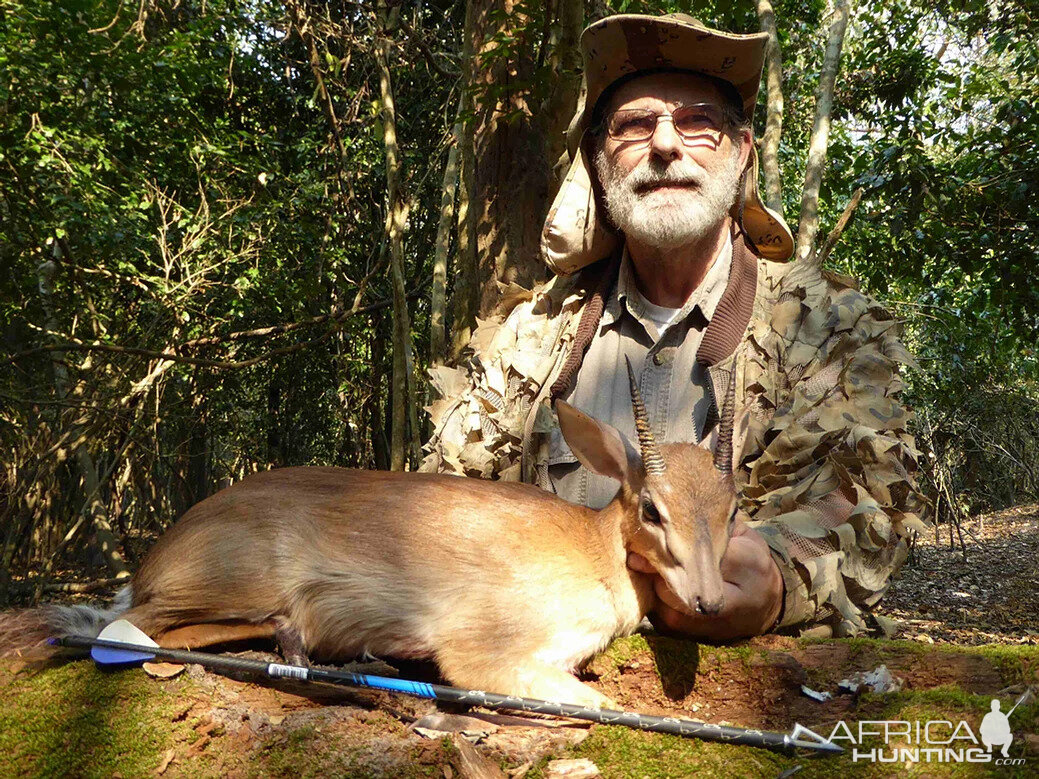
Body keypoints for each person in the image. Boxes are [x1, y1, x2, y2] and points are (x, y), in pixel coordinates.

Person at [421, 13, 927, 640]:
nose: (665, 144)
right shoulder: (531, 336)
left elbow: (869, 506)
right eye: (634, 126)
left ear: (742, 151)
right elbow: (441, 506)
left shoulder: (827, 330)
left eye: (697, 123)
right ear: (600, 164)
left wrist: (775, 582)